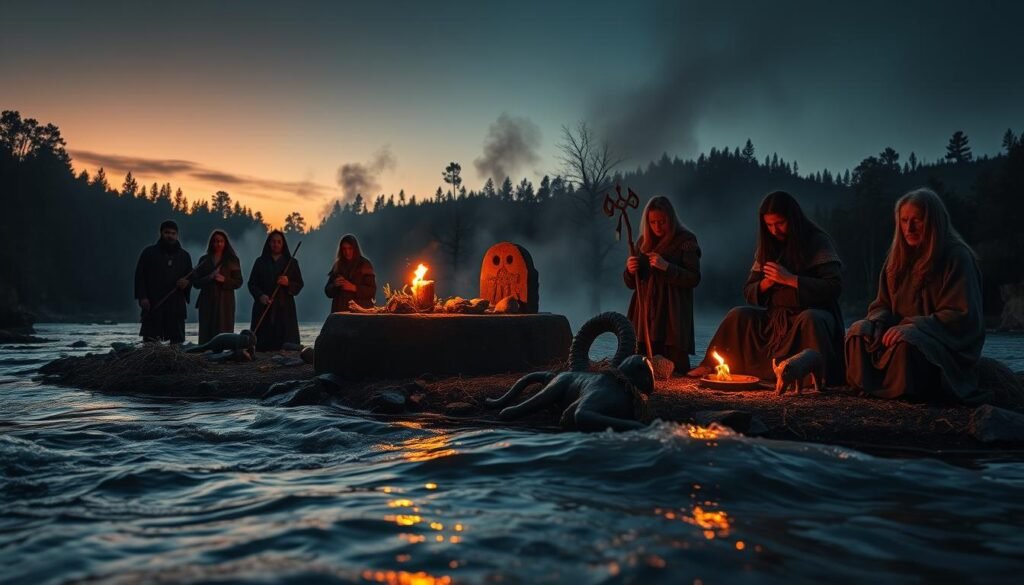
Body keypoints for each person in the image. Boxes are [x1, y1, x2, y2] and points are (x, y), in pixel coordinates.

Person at [688, 191, 845, 384]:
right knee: (738, 315)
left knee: (809, 319)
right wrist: (766, 283)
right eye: (769, 225)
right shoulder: (768, 247)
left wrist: (791, 279)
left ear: (793, 219)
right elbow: (749, 290)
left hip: (810, 315)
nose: (774, 230)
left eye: (780, 223)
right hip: (775, 320)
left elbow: (833, 287)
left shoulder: (817, 241)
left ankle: (811, 379)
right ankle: (711, 364)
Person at [845, 188, 985, 402]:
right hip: (897, 334)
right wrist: (877, 322)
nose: (909, 228)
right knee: (857, 331)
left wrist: (915, 326)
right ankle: (865, 387)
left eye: (917, 220)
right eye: (904, 220)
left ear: (933, 221)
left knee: (907, 344)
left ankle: (903, 391)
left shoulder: (957, 258)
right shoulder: (896, 261)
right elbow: (882, 304)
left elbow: (961, 315)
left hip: (941, 345)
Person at [623, 196, 701, 372]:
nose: (657, 227)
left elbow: (693, 278)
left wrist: (667, 267)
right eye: (653, 222)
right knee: (641, 365)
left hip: (672, 313)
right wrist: (630, 270)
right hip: (645, 313)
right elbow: (631, 284)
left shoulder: (686, 241)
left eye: (662, 221)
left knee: (676, 368)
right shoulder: (642, 243)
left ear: (671, 219)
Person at [134, 220, 193, 343]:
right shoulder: (149, 253)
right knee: (151, 340)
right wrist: (142, 297)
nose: (170, 236)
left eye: (173, 233)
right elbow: (140, 277)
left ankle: (176, 362)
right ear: (161, 233)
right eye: (167, 232)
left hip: (176, 304)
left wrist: (186, 283)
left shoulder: (184, 256)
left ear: (177, 235)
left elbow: (191, 277)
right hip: (154, 302)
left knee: (176, 342)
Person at [248, 230, 304, 351]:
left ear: (283, 244)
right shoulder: (260, 262)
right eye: (273, 242)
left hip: (285, 309)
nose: (276, 244)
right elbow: (252, 284)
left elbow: (299, 284)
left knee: (286, 344)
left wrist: (288, 282)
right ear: (269, 243)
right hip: (264, 307)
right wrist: (260, 296)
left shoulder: (291, 263)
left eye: (279, 242)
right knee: (263, 345)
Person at [193, 229, 243, 344]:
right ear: (211, 243)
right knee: (206, 329)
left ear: (225, 243)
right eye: (215, 241)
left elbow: (238, 282)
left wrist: (224, 280)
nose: (218, 244)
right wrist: (209, 277)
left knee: (224, 329)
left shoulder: (232, 260)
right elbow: (196, 283)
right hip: (207, 300)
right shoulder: (204, 260)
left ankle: (225, 352)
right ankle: (205, 354)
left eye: (221, 241)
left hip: (225, 302)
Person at [325, 234, 377, 313]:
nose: (347, 252)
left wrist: (354, 288)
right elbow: (328, 291)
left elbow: (372, 291)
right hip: (340, 311)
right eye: (344, 249)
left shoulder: (364, 264)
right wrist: (335, 285)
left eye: (350, 248)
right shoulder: (338, 265)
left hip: (359, 312)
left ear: (355, 249)